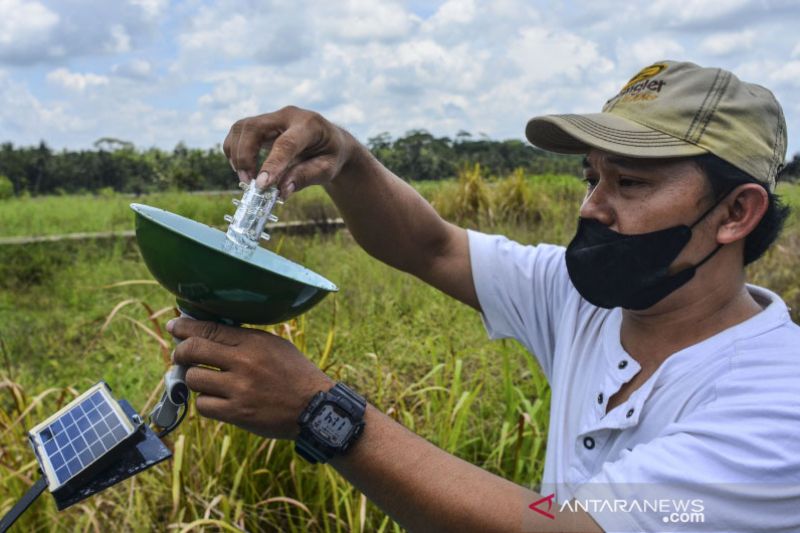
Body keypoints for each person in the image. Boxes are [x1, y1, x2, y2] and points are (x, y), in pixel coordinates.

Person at [166, 60, 800, 532]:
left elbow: (564, 527)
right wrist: (346, 157)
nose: (591, 209)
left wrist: (323, 414)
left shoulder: (776, 404)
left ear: (736, 212)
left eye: (629, 182)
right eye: (591, 178)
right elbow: (431, 247)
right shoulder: (588, 301)